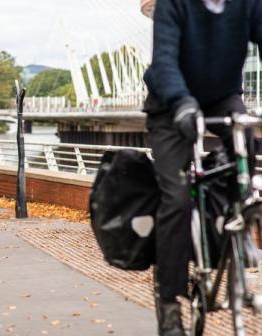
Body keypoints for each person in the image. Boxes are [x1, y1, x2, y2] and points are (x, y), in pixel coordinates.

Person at [142, 1, 261, 335]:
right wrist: (181, 103)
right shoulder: (174, 5)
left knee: (246, 141)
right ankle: (168, 305)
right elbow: (164, 59)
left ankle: (231, 220)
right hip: (170, 103)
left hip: (221, 97)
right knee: (176, 199)